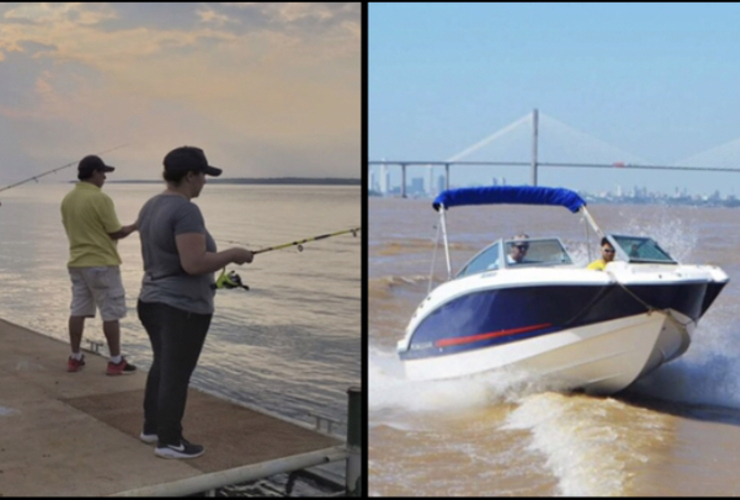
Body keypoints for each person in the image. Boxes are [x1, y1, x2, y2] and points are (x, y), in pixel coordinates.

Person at [136, 146, 254, 459]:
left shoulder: (151, 205)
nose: (204, 182)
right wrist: (234, 254)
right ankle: (170, 441)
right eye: (203, 175)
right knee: (176, 373)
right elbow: (194, 263)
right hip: (180, 308)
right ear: (190, 175)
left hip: (151, 300)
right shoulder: (186, 210)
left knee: (163, 366)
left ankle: (152, 428)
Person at [60, 154, 138, 375]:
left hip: (77, 262)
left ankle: (74, 357)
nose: (105, 177)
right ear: (94, 173)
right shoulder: (100, 199)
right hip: (102, 263)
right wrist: (136, 226)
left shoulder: (68, 199)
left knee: (78, 310)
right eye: (103, 173)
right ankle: (115, 361)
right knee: (110, 312)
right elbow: (116, 231)